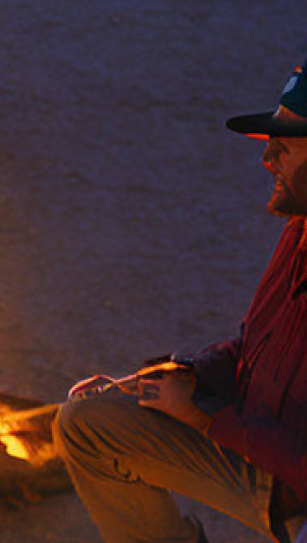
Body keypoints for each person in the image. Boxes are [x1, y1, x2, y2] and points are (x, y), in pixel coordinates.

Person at [53, 64, 307, 543]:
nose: (267, 158)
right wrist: (177, 376)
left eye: (287, 145)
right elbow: (254, 346)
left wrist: (204, 417)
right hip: (259, 441)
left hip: (294, 490)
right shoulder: (300, 229)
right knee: (87, 423)